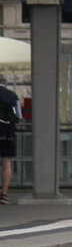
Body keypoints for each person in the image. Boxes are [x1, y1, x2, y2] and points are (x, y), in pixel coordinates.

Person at [0, 77, 20, 205]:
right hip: (7, 134)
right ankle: (4, 194)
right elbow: (18, 116)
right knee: (6, 162)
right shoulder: (12, 96)